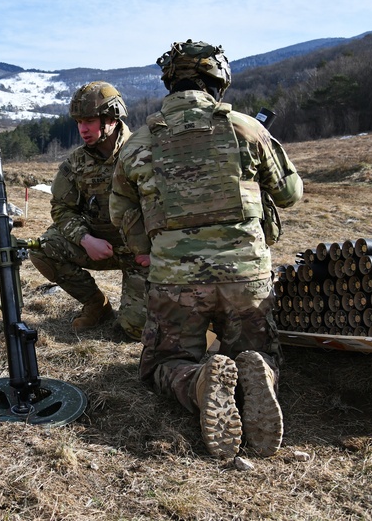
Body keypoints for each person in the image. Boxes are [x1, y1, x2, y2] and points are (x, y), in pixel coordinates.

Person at [110, 40, 303, 458]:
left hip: (175, 281)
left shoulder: (137, 143)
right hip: (245, 278)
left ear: (169, 84)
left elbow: (121, 210)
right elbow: (289, 194)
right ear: (219, 80)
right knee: (258, 351)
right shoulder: (246, 127)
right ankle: (259, 375)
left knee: (164, 362)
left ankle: (199, 384)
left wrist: (150, 249)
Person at [29, 81, 147, 340]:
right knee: (42, 248)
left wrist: (152, 252)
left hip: (143, 255)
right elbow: (61, 208)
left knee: (134, 331)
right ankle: (97, 305)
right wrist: (85, 239)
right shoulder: (76, 163)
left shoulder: (144, 152)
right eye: (79, 122)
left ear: (112, 118)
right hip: (99, 247)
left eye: (90, 121)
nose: (83, 129)